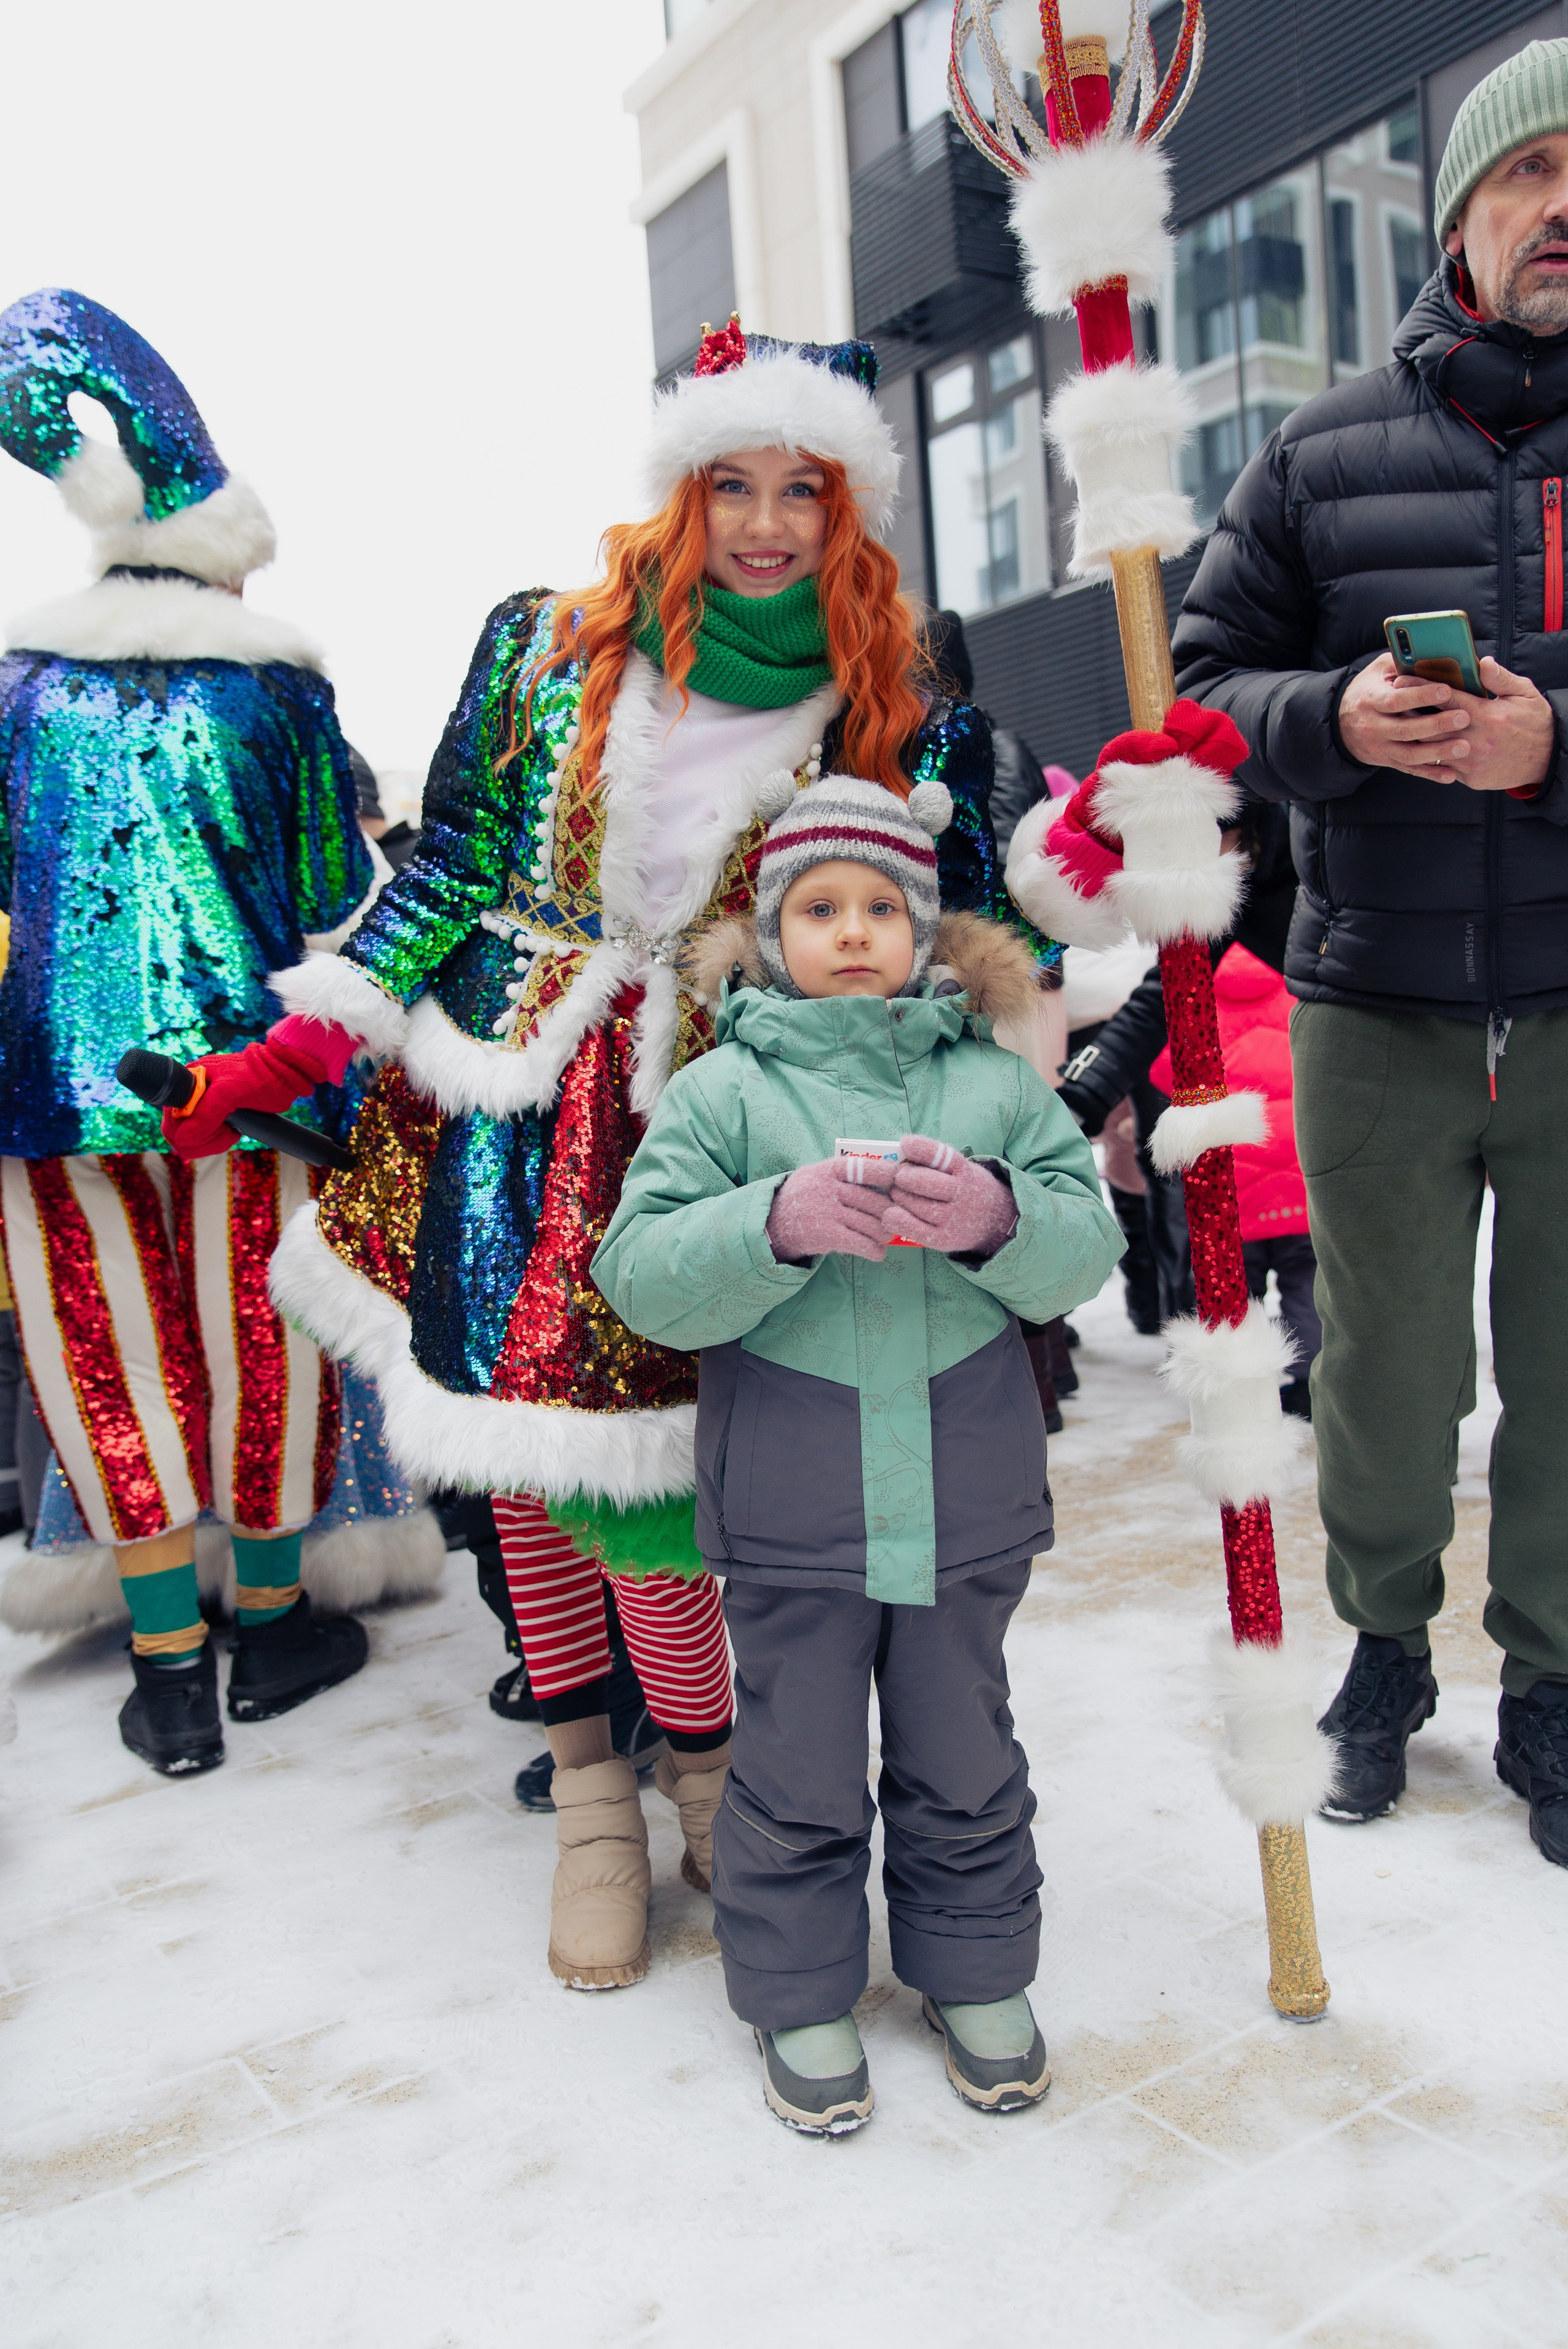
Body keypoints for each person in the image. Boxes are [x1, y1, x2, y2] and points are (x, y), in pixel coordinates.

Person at [171, 319, 1057, 1984]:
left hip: (714, 1123)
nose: (766, 523)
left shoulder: (895, 701)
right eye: (733, 483)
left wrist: (1109, 858)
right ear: (679, 488)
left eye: (804, 489)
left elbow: (967, 922)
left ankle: (707, 1766)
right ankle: (593, 1795)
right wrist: (320, 1029)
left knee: (657, 1494)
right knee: (523, 1472)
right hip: (504, 1109)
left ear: (849, 506)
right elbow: (447, 864)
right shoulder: (540, 644)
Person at [1172, 40, 1568, 1860]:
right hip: (1373, 1000)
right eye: (1528, 173)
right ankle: (1386, 1647)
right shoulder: (1317, 450)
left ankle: (1549, 1679)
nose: (1560, 208)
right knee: (1383, 1374)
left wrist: (1550, 741)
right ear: (1460, 214)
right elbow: (1197, 688)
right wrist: (1326, 716)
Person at [592, 777, 1122, 2133]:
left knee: (962, 1747)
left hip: (964, 1500)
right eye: (817, 907)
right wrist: (772, 1221)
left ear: (924, 929)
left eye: (881, 907)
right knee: (799, 1761)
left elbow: (1083, 1250)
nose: (850, 932)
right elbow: (639, 1273)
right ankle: (797, 1989)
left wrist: (997, 1217)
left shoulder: (994, 1084)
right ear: (771, 931)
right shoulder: (720, 1095)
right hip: (794, 1510)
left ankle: (976, 1969)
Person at [0, 289, 380, 1774]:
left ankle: (169, 1670)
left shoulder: (17, 689)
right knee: (266, 1339)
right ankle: (272, 1628)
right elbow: (333, 891)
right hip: (250, 1083)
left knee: (104, 1358)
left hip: (54, 1088)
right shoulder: (276, 688)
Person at [1150, 944, 1320, 1416]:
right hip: (1301, 1186)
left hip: (1230, 1196)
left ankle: (1242, 1393)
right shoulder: (1295, 1000)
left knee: (1237, 1295)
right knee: (1307, 1285)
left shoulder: (1200, 1011)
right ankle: (1311, 1382)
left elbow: (1163, 1071)